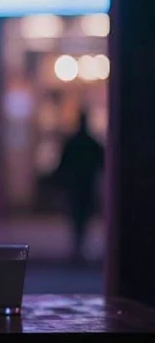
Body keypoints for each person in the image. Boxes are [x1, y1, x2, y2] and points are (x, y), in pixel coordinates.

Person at [56, 111, 105, 262]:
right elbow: (102, 161)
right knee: (83, 216)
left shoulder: (73, 142)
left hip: (76, 185)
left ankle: (77, 246)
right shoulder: (91, 142)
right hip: (86, 185)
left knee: (76, 215)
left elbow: (63, 164)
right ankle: (79, 246)